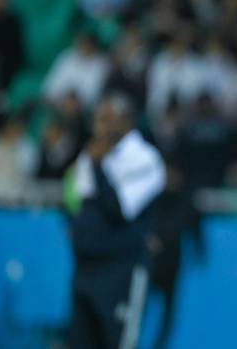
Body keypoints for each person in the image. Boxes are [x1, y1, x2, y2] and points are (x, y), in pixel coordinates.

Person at [67, 93, 166, 349]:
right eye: (97, 119)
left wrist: (98, 168)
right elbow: (80, 202)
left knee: (117, 342)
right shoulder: (92, 154)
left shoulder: (144, 158)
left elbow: (120, 209)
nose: (99, 126)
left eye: (107, 119)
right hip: (85, 268)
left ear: (127, 121)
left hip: (120, 269)